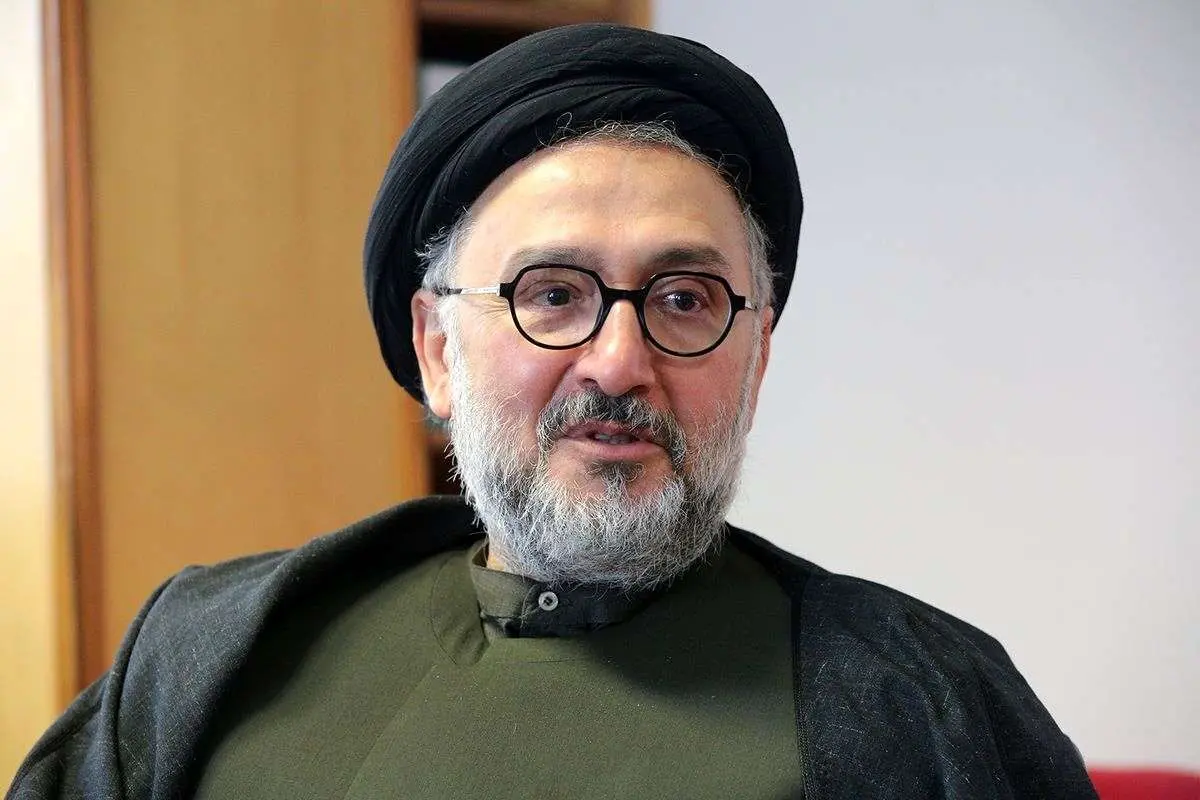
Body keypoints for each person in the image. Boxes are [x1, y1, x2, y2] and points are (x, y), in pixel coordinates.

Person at [8, 24, 1096, 800]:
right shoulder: (200, 660)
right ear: (439, 350)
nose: (618, 360)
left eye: (684, 298)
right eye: (553, 294)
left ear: (757, 355)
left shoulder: (931, 703)